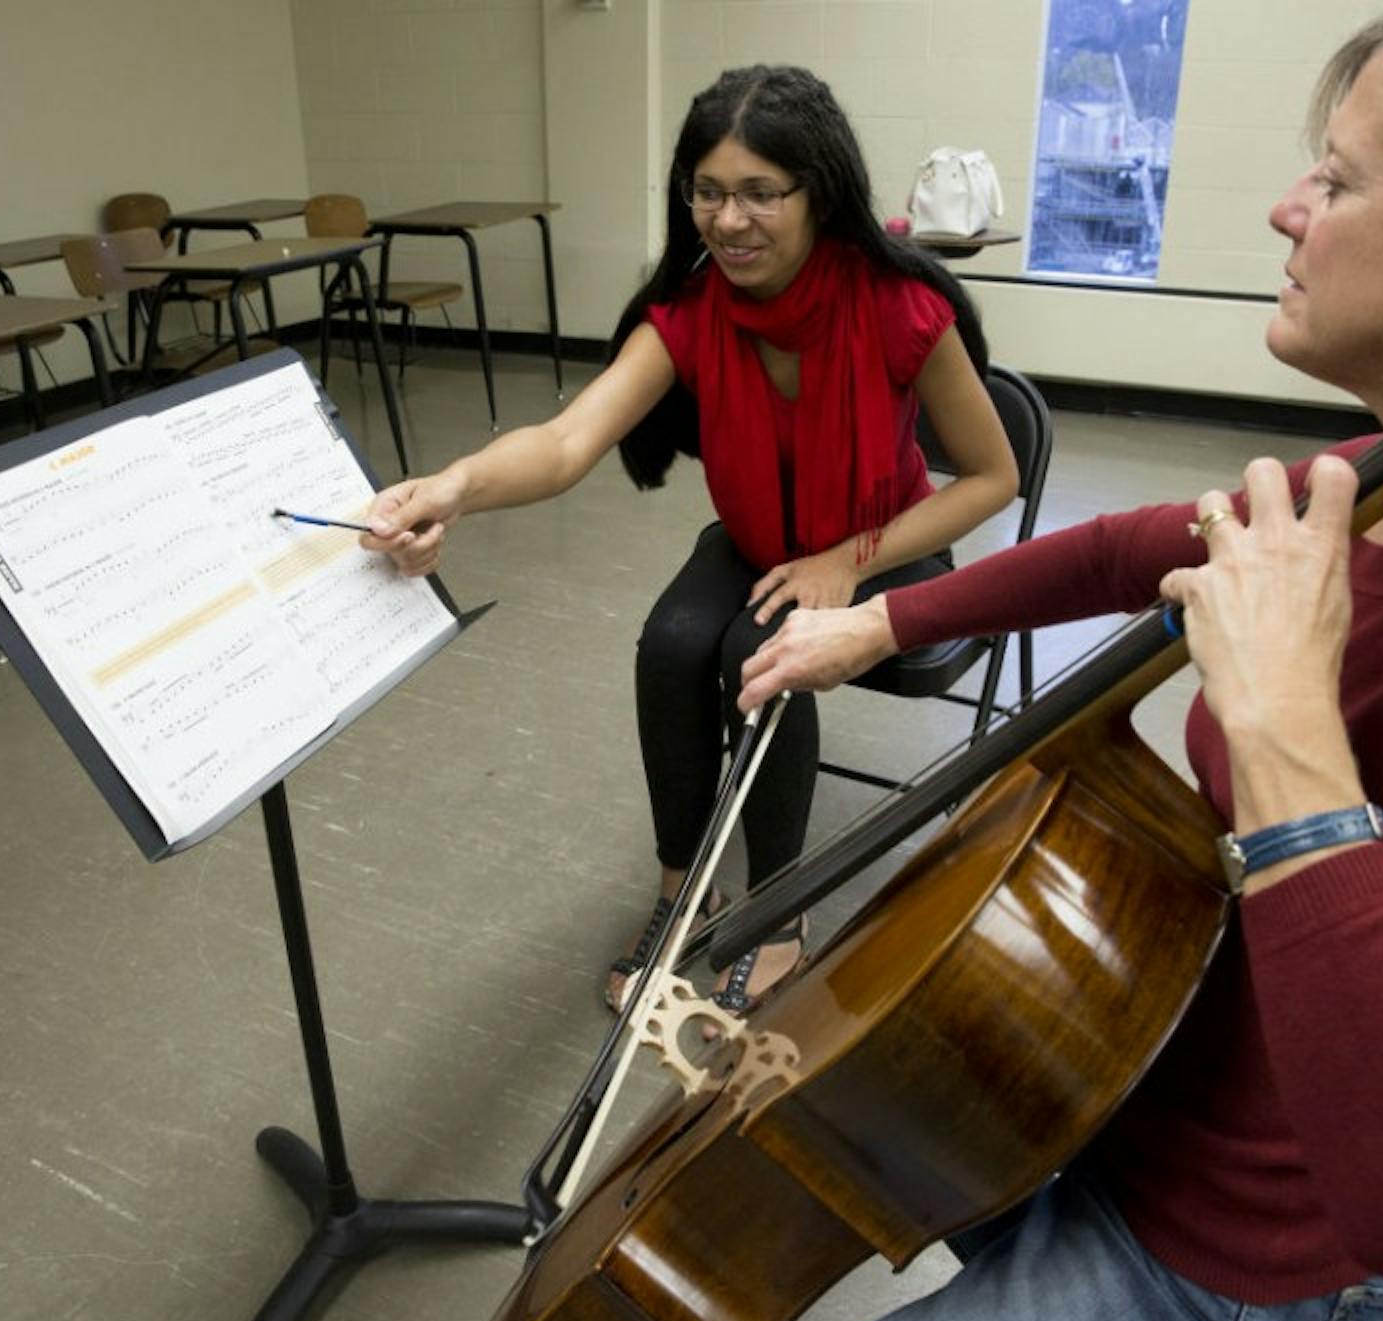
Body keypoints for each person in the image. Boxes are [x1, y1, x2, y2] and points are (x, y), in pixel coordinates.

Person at [737, 0, 1383, 1321]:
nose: (1286, 210)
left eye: (1337, 180)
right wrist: (881, 624)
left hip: (1227, 1258)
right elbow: (1122, 547)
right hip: (1103, 1091)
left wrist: (1285, 720)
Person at [362, 66, 1017, 1012]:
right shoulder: (694, 312)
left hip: (885, 542)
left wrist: (847, 561)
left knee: (762, 651)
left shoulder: (899, 304)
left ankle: (781, 909)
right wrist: (453, 487)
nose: (729, 220)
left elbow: (993, 477)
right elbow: (566, 443)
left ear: (819, 192)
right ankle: (683, 890)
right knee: (671, 644)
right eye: (707, 192)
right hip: (756, 542)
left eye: (760, 193)